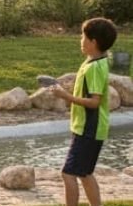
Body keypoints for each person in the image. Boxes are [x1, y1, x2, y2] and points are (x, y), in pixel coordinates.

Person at [49, 17, 118, 206]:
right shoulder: (95, 61)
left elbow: (94, 102)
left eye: (83, 37)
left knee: (68, 173)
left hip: (89, 129)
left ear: (93, 42)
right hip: (89, 128)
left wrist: (65, 96)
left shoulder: (94, 67)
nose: (81, 40)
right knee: (85, 173)